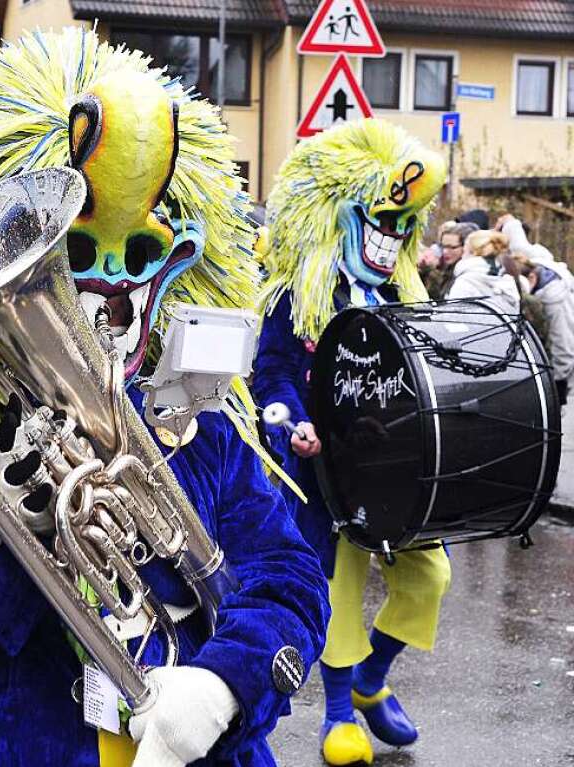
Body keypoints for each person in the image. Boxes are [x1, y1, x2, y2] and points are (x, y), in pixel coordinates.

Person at [0, 27, 330, 767]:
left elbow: (289, 578)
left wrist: (224, 684)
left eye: (136, 255)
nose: (109, 293)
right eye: (73, 254)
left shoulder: (200, 430)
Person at [254, 119, 450, 766]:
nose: (389, 238)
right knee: (339, 586)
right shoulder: (298, 293)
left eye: (402, 227)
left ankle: (371, 681)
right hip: (326, 473)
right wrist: (289, 419)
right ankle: (338, 709)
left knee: (430, 574)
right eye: (379, 220)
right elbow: (274, 372)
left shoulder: (403, 293)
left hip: (395, 470)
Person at [510, 250, 574, 403]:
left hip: (566, 371)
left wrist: (557, 385)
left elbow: (563, 346)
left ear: (531, 278)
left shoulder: (555, 301)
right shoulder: (535, 269)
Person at [445, 229, 523, 312]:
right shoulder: (507, 283)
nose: (462, 256)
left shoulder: (464, 283)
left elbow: (452, 318)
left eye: (464, 251)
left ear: (473, 253)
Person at [420, 221, 477, 299]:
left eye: (452, 247)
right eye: (443, 246)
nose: (445, 251)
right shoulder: (447, 269)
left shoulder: (471, 276)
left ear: (467, 247)